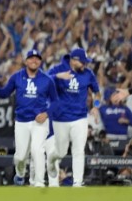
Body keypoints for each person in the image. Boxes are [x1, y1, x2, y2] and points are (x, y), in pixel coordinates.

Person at [0, 49, 58, 187]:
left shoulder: (47, 80)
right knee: (20, 157)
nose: (34, 60)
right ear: (26, 61)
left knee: (37, 150)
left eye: (37, 58)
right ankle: (20, 174)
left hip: (39, 121)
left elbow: (56, 102)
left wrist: (46, 114)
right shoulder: (16, 77)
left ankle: (39, 182)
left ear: (40, 61)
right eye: (31, 58)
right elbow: (4, 94)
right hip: (21, 121)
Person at [47, 48, 101, 187]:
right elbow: (43, 82)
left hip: (80, 117)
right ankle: (52, 168)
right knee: (61, 151)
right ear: (73, 60)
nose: (84, 64)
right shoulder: (58, 68)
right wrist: (57, 76)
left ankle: (77, 183)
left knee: (78, 150)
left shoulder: (88, 73)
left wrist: (95, 106)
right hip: (60, 118)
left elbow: (97, 92)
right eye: (82, 62)